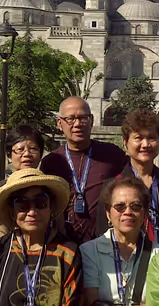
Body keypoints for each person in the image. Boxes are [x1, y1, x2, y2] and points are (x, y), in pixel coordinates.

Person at [0, 168, 82, 306]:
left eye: (40, 203)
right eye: (22, 205)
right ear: (12, 211)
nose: (32, 211)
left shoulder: (67, 252)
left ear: (51, 207)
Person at [81, 177, 159, 306]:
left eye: (136, 206)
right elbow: (91, 303)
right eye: (120, 207)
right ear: (107, 213)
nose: (128, 212)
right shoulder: (89, 251)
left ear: (145, 212)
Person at [40, 96, 127, 245]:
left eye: (83, 118)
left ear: (92, 120)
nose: (77, 124)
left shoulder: (112, 155)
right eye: (71, 119)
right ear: (60, 124)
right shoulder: (52, 161)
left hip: (105, 242)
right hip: (63, 244)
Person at [95, 109, 159, 244]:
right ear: (125, 142)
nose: (145, 145)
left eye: (152, 138)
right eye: (138, 138)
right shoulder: (112, 186)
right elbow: (102, 233)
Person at [0, 125, 46, 241]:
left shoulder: (48, 187)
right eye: (20, 149)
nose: (27, 154)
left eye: (33, 149)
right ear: (9, 155)